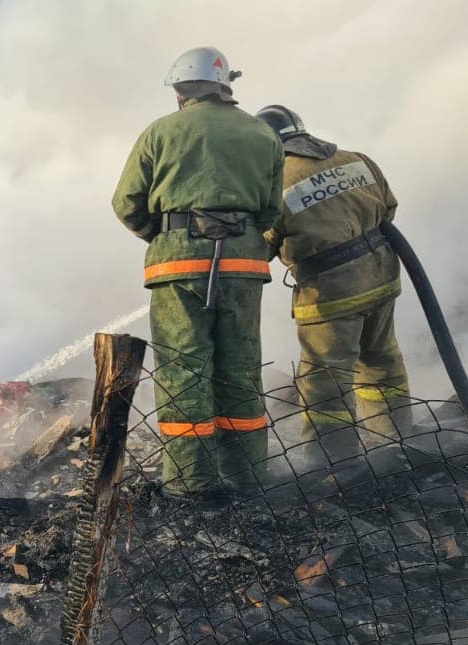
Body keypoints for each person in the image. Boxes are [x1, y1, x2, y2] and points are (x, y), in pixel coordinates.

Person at [112, 47, 284, 503]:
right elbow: (270, 209)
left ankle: (191, 483)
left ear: (179, 92)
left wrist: (169, 234)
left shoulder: (160, 132)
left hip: (179, 267)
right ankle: (246, 474)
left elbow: (126, 202)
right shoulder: (262, 134)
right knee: (241, 368)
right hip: (245, 268)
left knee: (184, 369)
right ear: (226, 85)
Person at [256, 105, 409, 464]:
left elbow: (260, 246)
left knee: (326, 380)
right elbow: (388, 208)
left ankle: (333, 463)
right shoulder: (356, 159)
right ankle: (397, 445)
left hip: (330, 294)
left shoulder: (274, 182)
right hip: (382, 277)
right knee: (381, 363)